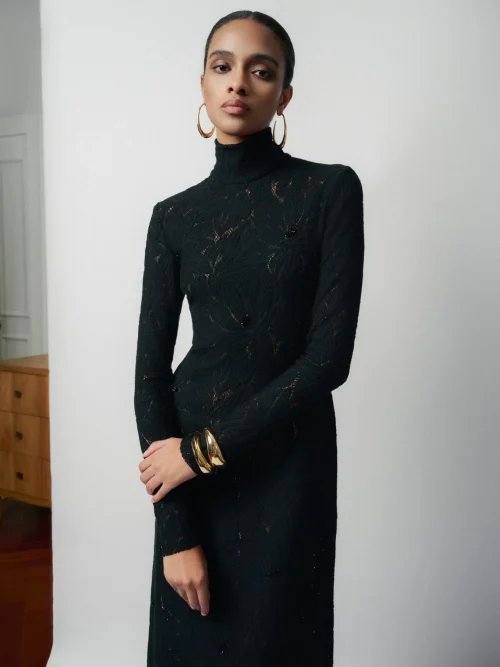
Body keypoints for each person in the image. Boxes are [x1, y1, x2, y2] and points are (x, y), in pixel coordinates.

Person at [134, 9, 365, 667]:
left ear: (283, 95)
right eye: (222, 65)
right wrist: (173, 526)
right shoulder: (173, 216)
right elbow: (149, 376)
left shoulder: (329, 190)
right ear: (204, 85)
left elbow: (328, 359)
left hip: (287, 466)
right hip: (188, 480)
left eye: (261, 71)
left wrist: (199, 452)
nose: (238, 82)